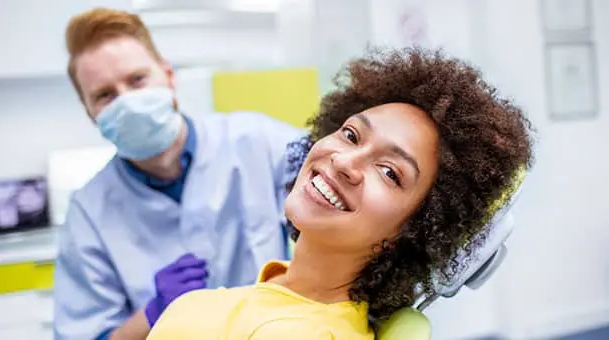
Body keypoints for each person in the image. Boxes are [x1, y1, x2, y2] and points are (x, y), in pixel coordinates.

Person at [145, 47, 534, 339]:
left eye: (389, 172)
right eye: (350, 135)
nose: (346, 162)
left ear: (416, 231)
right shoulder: (256, 302)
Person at [52, 8, 303, 340]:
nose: (127, 102)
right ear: (90, 113)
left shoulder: (259, 143)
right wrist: (153, 313)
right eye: (105, 95)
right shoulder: (88, 215)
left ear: (168, 76)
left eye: (137, 79)